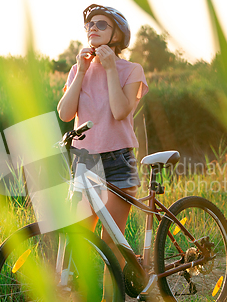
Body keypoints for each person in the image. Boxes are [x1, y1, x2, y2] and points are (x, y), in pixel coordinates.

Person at [57, 3, 148, 270]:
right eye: (89, 25)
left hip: (118, 161)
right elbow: (64, 114)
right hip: (84, 161)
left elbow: (121, 111)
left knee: (111, 245)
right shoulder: (78, 70)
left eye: (100, 25)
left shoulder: (131, 70)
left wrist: (109, 69)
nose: (92, 29)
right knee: (78, 239)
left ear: (117, 35)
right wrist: (81, 71)